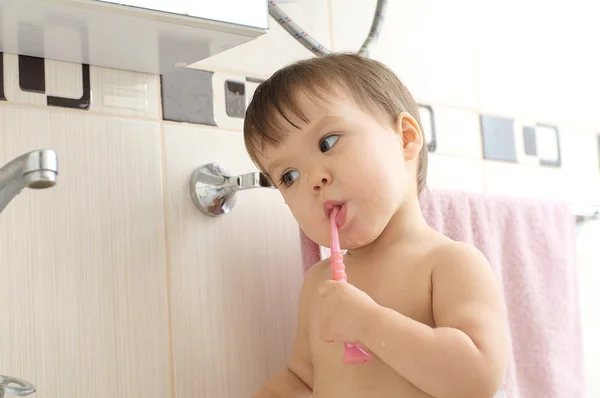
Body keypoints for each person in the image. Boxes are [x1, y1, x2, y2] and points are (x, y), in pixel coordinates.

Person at [243, 52, 508, 398]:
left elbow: (477, 379)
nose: (313, 180)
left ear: (406, 138)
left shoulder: (448, 263)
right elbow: (301, 378)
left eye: (328, 142)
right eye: (288, 176)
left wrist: (368, 323)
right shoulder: (319, 284)